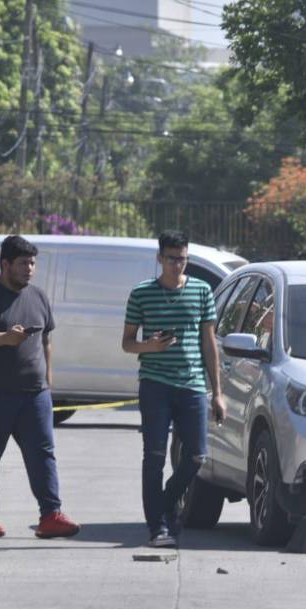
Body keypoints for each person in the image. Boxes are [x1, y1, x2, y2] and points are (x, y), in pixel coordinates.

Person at [0, 235, 80, 539]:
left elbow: (45, 340)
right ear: (5, 264)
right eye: (23, 263)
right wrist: (3, 338)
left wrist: (47, 383)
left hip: (34, 393)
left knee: (43, 453)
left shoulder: (38, 297)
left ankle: (50, 515)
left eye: (33, 263)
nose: (29, 269)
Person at [122, 231, 226, 548]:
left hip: (192, 385)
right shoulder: (141, 293)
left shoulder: (201, 290)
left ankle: (165, 503)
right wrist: (150, 346)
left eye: (182, 258)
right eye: (171, 258)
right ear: (159, 259)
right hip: (155, 385)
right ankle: (158, 527)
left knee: (196, 455)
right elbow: (127, 343)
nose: (176, 265)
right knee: (153, 456)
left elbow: (209, 343)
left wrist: (217, 392)